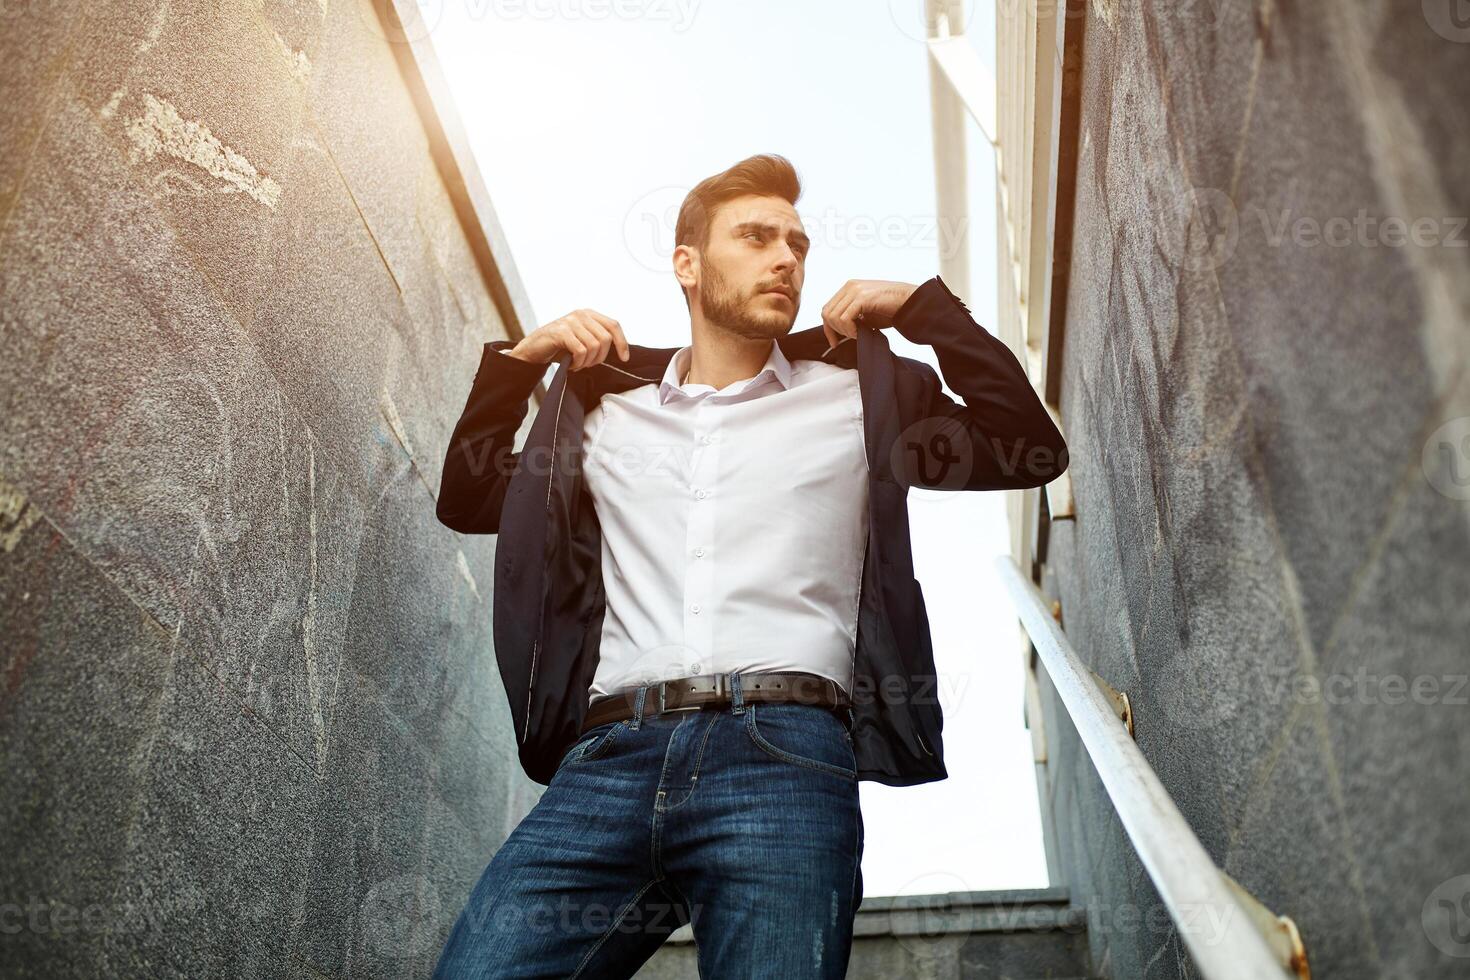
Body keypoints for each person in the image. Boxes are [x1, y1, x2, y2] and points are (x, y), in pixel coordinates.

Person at [431, 154, 1067, 978]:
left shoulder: (859, 396)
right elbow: (470, 498)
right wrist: (520, 365)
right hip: (609, 760)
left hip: (784, 757)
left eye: (798, 243)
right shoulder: (602, 411)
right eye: (757, 237)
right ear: (687, 264)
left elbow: (1031, 449)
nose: (787, 258)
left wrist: (925, 313)